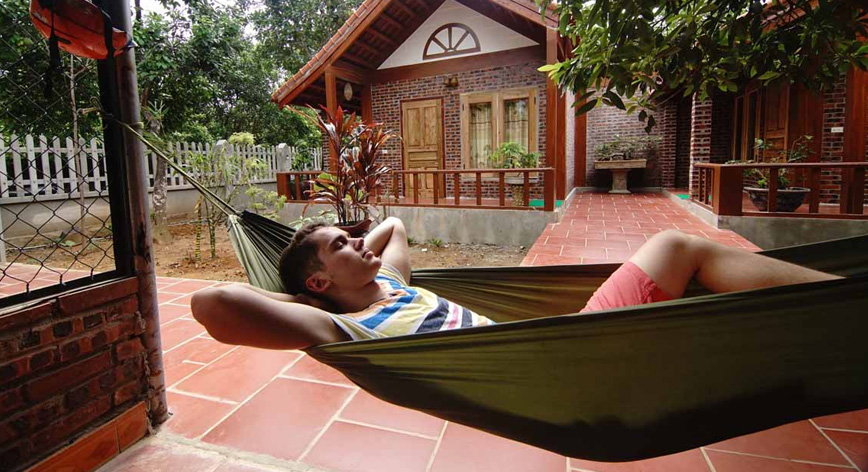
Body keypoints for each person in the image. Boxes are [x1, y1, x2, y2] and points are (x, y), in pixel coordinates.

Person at [191, 217, 840, 350]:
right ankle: (842, 300)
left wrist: (349, 251)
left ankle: (839, 296)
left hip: (556, 341)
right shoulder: (344, 326)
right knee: (677, 246)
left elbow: (391, 226)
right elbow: (210, 303)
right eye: (341, 245)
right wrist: (301, 298)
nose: (361, 243)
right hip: (558, 360)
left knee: (684, 250)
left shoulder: (393, 286)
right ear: (318, 282)